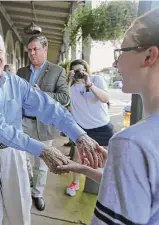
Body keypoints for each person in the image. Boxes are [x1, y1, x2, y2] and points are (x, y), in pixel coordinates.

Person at [0, 29, 105, 225]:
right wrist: (42, 149)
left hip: (13, 151)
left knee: (20, 206)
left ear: (4, 55)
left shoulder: (16, 82)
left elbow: (48, 106)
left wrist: (79, 135)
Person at [58, 8, 159, 225]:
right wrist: (85, 169)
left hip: (102, 129)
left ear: (150, 56)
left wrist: (88, 83)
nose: (116, 63)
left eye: (122, 51)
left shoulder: (134, 143)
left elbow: (104, 99)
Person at [16, 35, 70, 210]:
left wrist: (43, 95)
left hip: (44, 125)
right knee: (22, 159)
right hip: (23, 122)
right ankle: (27, 185)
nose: (31, 53)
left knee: (42, 162)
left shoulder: (57, 71)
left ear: (45, 50)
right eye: (29, 49)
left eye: (35, 49)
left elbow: (65, 98)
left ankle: (37, 194)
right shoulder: (21, 72)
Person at [65, 59, 114, 197]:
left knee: (106, 159)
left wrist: (89, 84)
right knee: (78, 158)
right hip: (83, 130)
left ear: (86, 69)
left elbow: (105, 98)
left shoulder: (96, 79)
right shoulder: (71, 87)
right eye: (75, 71)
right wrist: (68, 82)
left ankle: (107, 187)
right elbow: (65, 103)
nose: (79, 74)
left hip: (102, 126)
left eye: (81, 70)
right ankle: (75, 183)